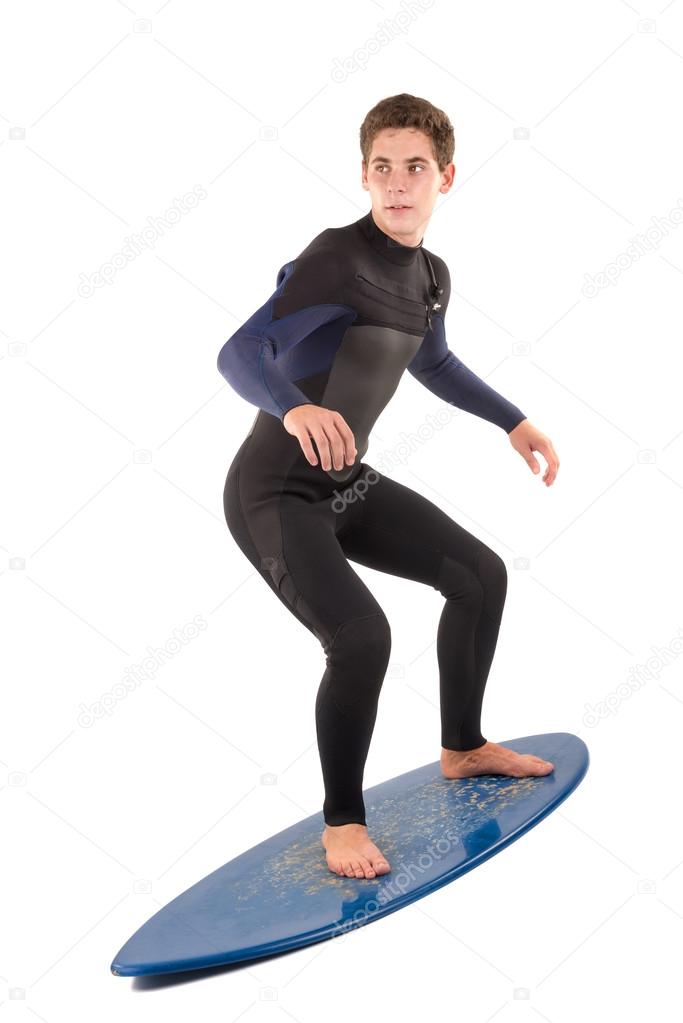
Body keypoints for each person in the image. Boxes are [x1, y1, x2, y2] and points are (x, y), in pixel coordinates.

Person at [217, 93, 560, 882]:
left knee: (480, 575)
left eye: (414, 168)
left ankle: (463, 745)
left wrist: (511, 420)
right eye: (382, 168)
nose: (398, 184)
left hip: (343, 485)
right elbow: (241, 350)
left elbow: (432, 361)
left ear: (445, 177)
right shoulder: (336, 257)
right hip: (273, 493)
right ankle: (342, 822)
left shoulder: (429, 276)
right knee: (362, 638)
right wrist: (294, 404)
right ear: (364, 176)